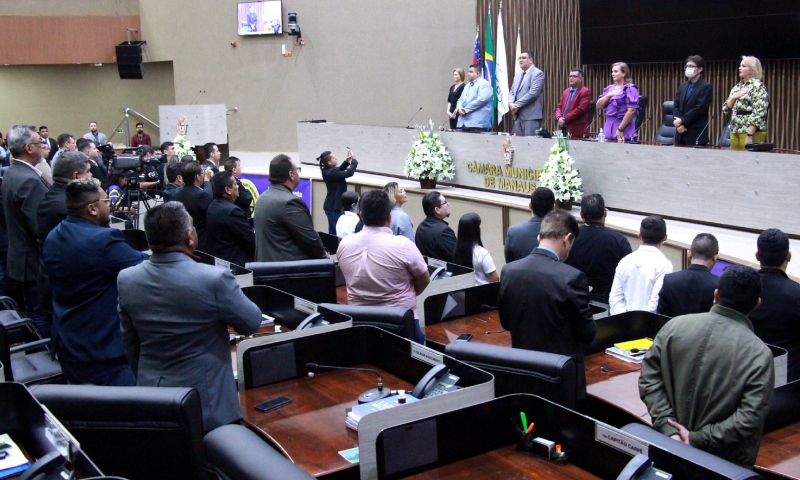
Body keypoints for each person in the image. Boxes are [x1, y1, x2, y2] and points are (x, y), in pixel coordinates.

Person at [118, 201, 261, 432]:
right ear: (189, 237)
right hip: (206, 400)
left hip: (151, 392)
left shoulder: (126, 278)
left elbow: (131, 342)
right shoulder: (214, 279)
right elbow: (251, 323)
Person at [639, 265, 774, 467]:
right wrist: (696, 438)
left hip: (668, 449)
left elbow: (649, 379)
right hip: (723, 464)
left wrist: (671, 430)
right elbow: (749, 417)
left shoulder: (674, 327)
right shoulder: (759, 354)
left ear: (716, 295)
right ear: (756, 304)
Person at [43, 178, 147, 385]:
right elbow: (146, 267)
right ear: (92, 208)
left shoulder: (54, 236)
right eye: (106, 201)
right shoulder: (104, 240)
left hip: (69, 343)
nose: (109, 206)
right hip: (104, 351)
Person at [499, 209, 596, 400]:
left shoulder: (509, 271)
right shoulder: (572, 277)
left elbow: (505, 323)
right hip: (561, 378)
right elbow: (588, 334)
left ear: (539, 237)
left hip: (524, 370)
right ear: (567, 239)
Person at [337, 190, 429, 344]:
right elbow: (424, 280)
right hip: (401, 325)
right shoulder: (404, 245)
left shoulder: (344, 244)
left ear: (361, 215)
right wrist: (407, 292)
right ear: (389, 217)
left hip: (360, 325)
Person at [2, 125, 50, 336]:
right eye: (40, 143)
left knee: (31, 313)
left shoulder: (12, 172)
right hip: (32, 260)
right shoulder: (29, 180)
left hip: (20, 255)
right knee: (40, 314)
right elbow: (39, 225)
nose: (43, 147)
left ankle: (35, 356)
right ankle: (45, 362)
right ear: (29, 148)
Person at [749, 228, 800, 382]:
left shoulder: (742, 290)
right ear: (788, 256)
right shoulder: (797, 293)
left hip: (745, 376)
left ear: (757, 256)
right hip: (789, 385)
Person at [254, 154, 327, 262]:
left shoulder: (262, 198)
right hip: (287, 271)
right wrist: (324, 256)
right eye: (297, 170)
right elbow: (310, 240)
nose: (298, 173)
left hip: (266, 266)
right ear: (291, 175)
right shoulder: (290, 202)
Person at [564, 194, 632, 304]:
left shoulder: (569, 238)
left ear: (581, 214)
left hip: (573, 301)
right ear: (605, 213)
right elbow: (628, 274)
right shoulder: (619, 240)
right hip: (606, 305)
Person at [609, 215, 672, 315]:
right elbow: (656, 302)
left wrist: (622, 319)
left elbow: (615, 297)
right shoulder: (665, 265)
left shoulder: (625, 261)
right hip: (649, 325)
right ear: (665, 237)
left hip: (621, 323)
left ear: (640, 236)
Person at [656, 233, 719, 317]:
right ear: (715, 257)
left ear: (689, 254)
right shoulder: (719, 285)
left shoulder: (669, 280)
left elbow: (661, 317)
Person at [37, 151, 93, 245]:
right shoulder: (70, 204)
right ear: (76, 176)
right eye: (87, 171)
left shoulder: (51, 195)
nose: (91, 175)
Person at [206, 171, 255, 266]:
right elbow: (250, 239)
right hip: (237, 263)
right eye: (235, 184)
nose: (238, 187)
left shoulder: (213, 205)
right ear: (228, 190)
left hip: (220, 260)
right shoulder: (233, 211)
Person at [722, 56, 769, 150]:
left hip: (751, 132)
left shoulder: (757, 86)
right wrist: (733, 98)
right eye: (740, 66)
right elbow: (725, 109)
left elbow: (759, 113)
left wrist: (749, 135)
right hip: (735, 129)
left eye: (743, 66)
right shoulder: (738, 87)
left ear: (752, 69)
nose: (740, 68)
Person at [504, 187, 555, 263]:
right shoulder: (562, 235)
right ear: (554, 207)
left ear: (530, 205)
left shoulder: (514, 232)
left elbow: (509, 264)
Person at [172, 161, 213, 252]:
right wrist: (207, 180)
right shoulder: (201, 195)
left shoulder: (176, 193)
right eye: (202, 173)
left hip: (182, 238)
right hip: (200, 239)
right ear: (197, 177)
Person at [673, 55, 712, 146]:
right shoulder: (683, 86)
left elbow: (699, 109)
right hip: (680, 132)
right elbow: (676, 106)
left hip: (696, 132)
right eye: (687, 66)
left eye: (691, 66)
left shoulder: (705, 86)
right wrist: (679, 125)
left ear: (700, 69)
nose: (688, 68)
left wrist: (682, 120)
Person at [595, 62, 640, 143]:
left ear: (624, 73)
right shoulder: (609, 88)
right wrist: (608, 96)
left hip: (622, 125)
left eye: (616, 71)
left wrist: (620, 129)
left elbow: (631, 111)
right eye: (612, 71)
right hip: (609, 123)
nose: (613, 74)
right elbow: (599, 106)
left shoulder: (630, 88)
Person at [319, 150, 358, 235]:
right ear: (329, 162)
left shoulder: (327, 170)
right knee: (338, 233)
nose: (336, 158)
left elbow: (338, 170)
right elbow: (349, 173)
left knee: (332, 233)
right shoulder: (332, 172)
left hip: (330, 206)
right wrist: (354, 161)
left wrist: (346, 162)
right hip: (334, 208)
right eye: (333, 157)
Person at [454, 213, 498, 285]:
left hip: (465, 292)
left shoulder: (457, 251)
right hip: (482, 293)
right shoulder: (482, 253)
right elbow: (495, 279)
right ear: (475, 230)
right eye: (479, 226)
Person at [508, 50, 546, 136]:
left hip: (531, 116)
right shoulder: (518, 75)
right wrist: (510, 103)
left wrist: (516, 105)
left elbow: (533, 93)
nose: (521, 60)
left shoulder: (537, 73)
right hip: (517, 116)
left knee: (531, 145)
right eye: (519, 58)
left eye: (524, 58)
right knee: (517, 145)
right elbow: (512, 92)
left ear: (531, 60)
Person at [415, 191, 456, 263]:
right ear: (437, 210)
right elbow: (456, 259)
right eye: (445, 202)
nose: (448, 204)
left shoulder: (420, 227)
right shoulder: (445, 231)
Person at [554, 68, 592, 140]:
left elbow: (580, 109)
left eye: (574, 76)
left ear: (581, 79)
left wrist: (565, 119)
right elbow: (559, 107)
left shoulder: (585, 91)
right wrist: (558, 117)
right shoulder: (566, 91)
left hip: (577, 129)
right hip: (563, 127)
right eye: (570, 76)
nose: (571, 78)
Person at [456, 64, 493, 132]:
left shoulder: (485, 84)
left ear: (478, 73)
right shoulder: (467, 86)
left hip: (477, 124)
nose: (468, 74)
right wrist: (459, 108)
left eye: (471, 72)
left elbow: (481, 100)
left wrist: (465, 110)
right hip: (463, 123)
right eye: (468, 72)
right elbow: (460, 100)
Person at [223, 156, 254, 221]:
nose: (241, 167)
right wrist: (247, 190)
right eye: (239, 166)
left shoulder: (225, 180)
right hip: (242, 216)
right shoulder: (235, 183)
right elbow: (247, 199)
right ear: (234, 170)